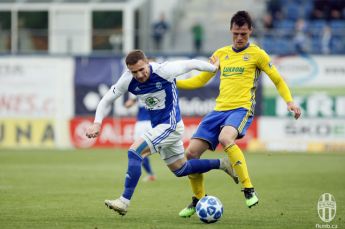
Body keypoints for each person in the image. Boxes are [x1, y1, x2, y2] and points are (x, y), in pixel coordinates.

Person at [177, 10, 301, 218]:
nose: (239, 37)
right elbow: (200, 80)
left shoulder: (258, 54)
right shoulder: (221, 54)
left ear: (250, 31)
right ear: (231, 31)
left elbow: (277, 80)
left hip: (241, 109)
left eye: (243, 33)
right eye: (236, 33)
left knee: (226, 138)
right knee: (190, 154)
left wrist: (289, 101)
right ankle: (198, 199)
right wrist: (175, 83)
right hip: (218, 110)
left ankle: (248, 188)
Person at [85, 49, 238, 216]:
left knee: (134, 152)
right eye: (134, 72)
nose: (140, 75)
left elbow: (190, 64)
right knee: (181, 169)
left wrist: (213, 68)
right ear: (129, 70)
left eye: (142, 69)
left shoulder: (164, 70)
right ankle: (222, 164)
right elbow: (106, 99)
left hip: (170, 125)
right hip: (159, 127)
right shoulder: (128, 80)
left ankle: (124, 201)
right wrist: (97, 123)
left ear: (147, 63)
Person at [124, 94, 156, 182]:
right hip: (154, 123)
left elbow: (129, 104)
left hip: (142, 124)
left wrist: (128, 104)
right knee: (163, 148)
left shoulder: (138, 88)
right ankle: (184, 167)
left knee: (138, 150)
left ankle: (150, 174)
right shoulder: (156, 86)